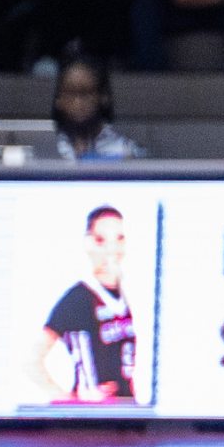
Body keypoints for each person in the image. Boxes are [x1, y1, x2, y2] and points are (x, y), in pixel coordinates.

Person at [31, 205, 140, 404]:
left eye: (119, 239)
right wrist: (68, 400)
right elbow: (31, 362)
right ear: (88, 244)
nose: (111, 249)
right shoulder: (78, 298)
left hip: (126, 413)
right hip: (93, 419)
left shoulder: (125, 293)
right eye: (101, 241)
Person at [48, 58, 146, 161]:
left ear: (103, 97)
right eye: (70, 94)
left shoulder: (126, 149)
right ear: (58, 100)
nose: (78, 103)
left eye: (86, 93)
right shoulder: (48, 149)